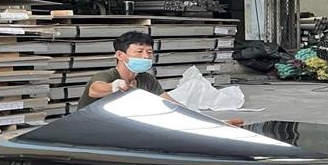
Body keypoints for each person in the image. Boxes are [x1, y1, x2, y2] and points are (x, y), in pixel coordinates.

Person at [78, 30, 245, 125]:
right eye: (139, 52)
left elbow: (173, 106)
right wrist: (115, 86)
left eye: (149, 52)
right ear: (120, 55)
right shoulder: (107, 76)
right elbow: (95, 89)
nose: (146, 56)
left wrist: (215, 125)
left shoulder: (147, 80)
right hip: (91, 127)